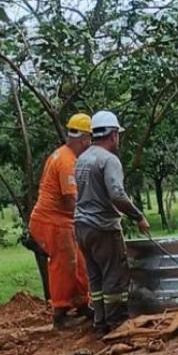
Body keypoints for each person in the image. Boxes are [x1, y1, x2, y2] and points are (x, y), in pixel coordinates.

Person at [74, 110, 150, 334]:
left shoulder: (82, 159)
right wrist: (138, 216)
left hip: (81, 227)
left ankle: (100, 324)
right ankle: (116, 325)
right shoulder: (109, 160)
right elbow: (117, 194)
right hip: (103, 228)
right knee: (114, 277)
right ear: (113, 135)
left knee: (95, 278)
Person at [28, 114, 93, 330]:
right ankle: (61, 312)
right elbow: (71, 198)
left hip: (59, 221)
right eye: (90, 140)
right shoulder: (67, 162)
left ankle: (82, 303)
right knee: (64, 265)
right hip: (53, 222)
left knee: (80, 262)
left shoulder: (62, 155)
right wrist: (88, 218)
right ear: (84, 140)